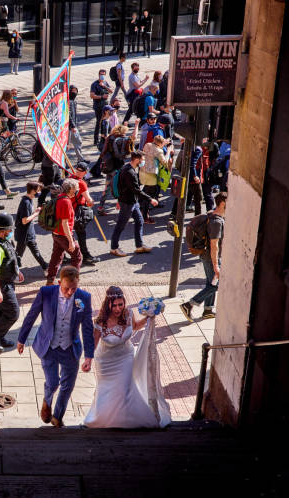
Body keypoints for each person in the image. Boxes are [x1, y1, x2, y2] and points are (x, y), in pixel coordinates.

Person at [83, 286, 171, 428]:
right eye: (114, 305)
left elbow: (135, 326)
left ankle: (125, 420)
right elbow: (93, 343)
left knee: (124, 389)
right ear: (108, 304)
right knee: (107, 391)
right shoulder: (101, 321)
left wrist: (149, 318)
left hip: (126, 357)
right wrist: (87, 361)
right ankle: (103, 418)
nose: (118, 309)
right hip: (106, 362)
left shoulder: (129, 313)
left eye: (120, 304)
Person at [17, 266, 94, 427]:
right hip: (49, 347)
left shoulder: (84, 298)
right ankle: (47, 400)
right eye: (67, 288)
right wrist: (21, 339)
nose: (70, 293)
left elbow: (87, 328)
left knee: (68, 385)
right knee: (52, 383)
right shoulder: (46, 293)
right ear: (59, 283)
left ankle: (57, 417)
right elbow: (32, 315)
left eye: (74, 288)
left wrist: (89, 355)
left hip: (70, 348)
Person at [180, 192, 227, 321]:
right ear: (223, 204)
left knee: (211, 281)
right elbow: (214, 245)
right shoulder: (217, 222)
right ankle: (189, 305)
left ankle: (208, 310)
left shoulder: (212, 214)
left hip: (205, 254)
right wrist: (216, 265)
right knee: (215, 284)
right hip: (210, 256)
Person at [0, 213, 24, 353]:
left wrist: (17, 271)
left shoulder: (4, 241)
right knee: (13, 312)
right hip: (0, 285)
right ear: (3, 231)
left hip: (6, 282)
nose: (11, 232)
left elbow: (11, 258)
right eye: (9, 230)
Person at [109, 151, 156, 257]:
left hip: (131, 201)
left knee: (139, 220)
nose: (143, 161)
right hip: (127, 202)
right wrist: (150, 199)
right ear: (137, 160)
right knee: (120, 225)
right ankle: (114, 248)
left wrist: (118, 199)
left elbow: (121, 185)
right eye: (142, 159)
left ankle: (139, 246)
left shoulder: (126, 168)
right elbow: (136, 190)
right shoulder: (129, 172)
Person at [45, 178, 82, 285]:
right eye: (76, 189)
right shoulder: (66, 202)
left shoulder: (59, 197)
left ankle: (50, 280)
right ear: (70, 189)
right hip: (63, 235)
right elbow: (65, 223)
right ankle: (71, 282)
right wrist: (71, 241)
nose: (77, 191)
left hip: (56, 234)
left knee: (56, 257)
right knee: (77, 257)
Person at [15, 182, 47, 271]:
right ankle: (13, 271)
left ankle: (45, 266)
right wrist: (36, 214)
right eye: (38, 190)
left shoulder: (28, 200)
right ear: (33, 191)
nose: (39, 192)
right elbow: (24, 221)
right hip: (24, 234)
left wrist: (34, 212)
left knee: (23, 253)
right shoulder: (26, 202)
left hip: (27, 233)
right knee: (18, 255)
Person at [140, 135, 171, 224]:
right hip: (151, 175)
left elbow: (155, 148)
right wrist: (168, 151)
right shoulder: (159, 151)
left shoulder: (147, 145)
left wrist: (163, 144)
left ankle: (139, 208)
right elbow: (165, 162)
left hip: (143, 171)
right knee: (148, 195)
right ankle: (145, 216)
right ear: (160, 143)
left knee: (145, 191)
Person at [71, 162, 97, 266]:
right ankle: (85, 256)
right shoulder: (81, 183)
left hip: (67, 210)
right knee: (81, 234)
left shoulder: (69, 179)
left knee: (66, 235)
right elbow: (89, 200)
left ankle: (64, 256)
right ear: (85, 172)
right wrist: (91, 203)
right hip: (77, 212)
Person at [90, 70, 113, 146]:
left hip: (105, 106)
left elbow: (111, 91)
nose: (102, 76)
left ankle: (106, 138)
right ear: (98, 75)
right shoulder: (94, 84)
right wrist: (101, 97)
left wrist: (104, 86)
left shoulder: (105, 83)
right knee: (99, 122)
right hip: (98, 106)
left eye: (103, 74)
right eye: (101, 74)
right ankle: (96, 140)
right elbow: (92, 95)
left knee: (107, 122)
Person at [68, 85, 85, 163]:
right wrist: (72, 126)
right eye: (73, 90)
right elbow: (68, 115)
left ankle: (80, 159)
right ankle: (64, 162)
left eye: (76, 90)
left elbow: (74, 115)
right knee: (66, 146)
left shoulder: (74, 102)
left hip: (74, 126)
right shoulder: (68, 102)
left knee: (78, 142)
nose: (74, 92)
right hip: (69, 127)